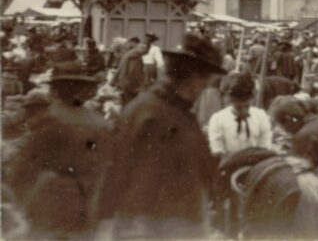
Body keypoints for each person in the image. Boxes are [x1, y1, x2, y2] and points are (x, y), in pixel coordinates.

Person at [96, 33, 227, 239]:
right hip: (151, 225)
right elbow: (119, 168)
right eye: (204, 79)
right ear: (189, 75)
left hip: (180, 219)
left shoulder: (180, 111)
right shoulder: (148, 112)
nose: (205, 86)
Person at [7, 60, 111, 239]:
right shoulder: (99, 123)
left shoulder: (49, 118)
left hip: (49, 196)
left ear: (56, 89)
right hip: (86, 197)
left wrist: (18, 196)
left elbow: (25, 163)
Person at [208, 72, 273, 157]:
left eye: (247, 106)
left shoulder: (261, 116)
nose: (243, 111)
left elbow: (265, 148)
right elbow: (217, 151)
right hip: (228, 166)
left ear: (252, 99)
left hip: (256, 165)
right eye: (238, 108)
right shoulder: (217, 119)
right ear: (229, 101)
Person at [113, 36, 145, 107]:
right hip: (130, 85)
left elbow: (122, 69)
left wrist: (114, 80)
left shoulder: (129, 55)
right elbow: (136, 72)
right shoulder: (135, 57)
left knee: (126, 103)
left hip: (126, 83)